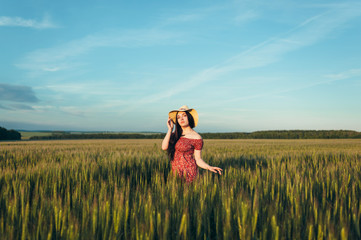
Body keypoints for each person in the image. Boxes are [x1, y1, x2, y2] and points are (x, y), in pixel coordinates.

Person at [162, 105, 222, 183]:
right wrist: (170, 129)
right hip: (176, 171)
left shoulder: (197, 138)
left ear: (189, 117)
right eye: (178, 117)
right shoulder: (175, 134)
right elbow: (164, 147)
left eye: (184, 116)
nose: (181, 119)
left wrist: (208, 167)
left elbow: (198, 159)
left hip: (189, 172)